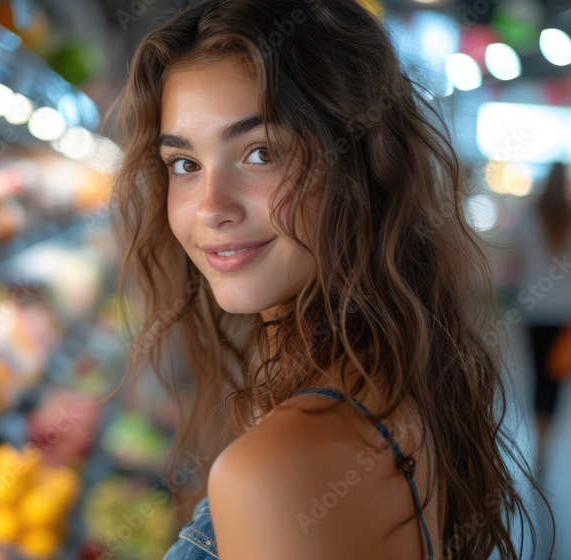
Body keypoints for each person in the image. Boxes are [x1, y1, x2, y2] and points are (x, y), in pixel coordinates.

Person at [105, 0, 553, 558]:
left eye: (261, 153)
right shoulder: (394, 378)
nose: (210, 209)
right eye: (185, 164)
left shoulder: (276, 470)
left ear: (360, 166)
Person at [514, 161, 571, 468]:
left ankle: (540, 439)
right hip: (564, 314)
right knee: (556, 379)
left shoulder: (530, 219)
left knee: (537, 377)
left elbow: (518, 263)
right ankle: (547, 442)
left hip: (534, 310)